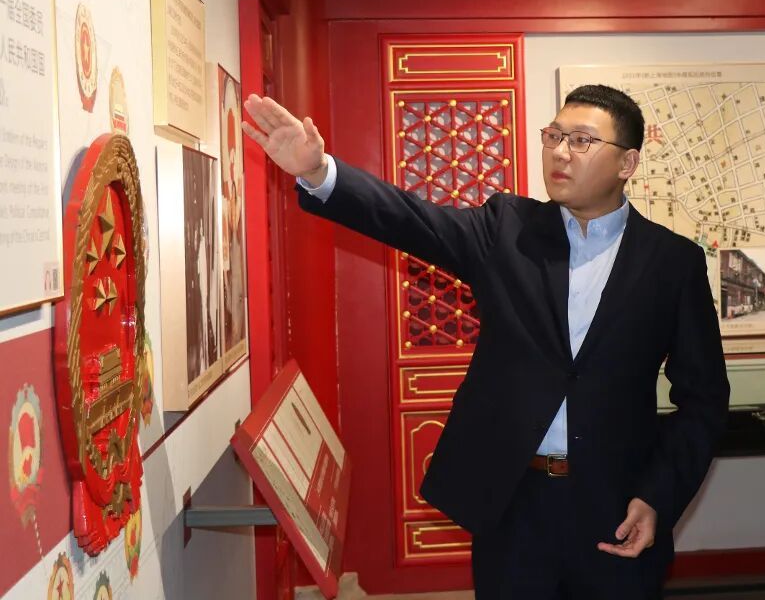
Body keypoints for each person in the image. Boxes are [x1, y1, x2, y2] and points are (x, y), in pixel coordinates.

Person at [242, 85, 729, 600]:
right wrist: (319, 172)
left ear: (627, 163)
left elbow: (704, 399)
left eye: (582, 141)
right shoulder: (508, 229)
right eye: (554, 136)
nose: (560, 152)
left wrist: (657, 496)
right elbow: (411, 219)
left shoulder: (672, 262)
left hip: (617, 504)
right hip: (513, 502)